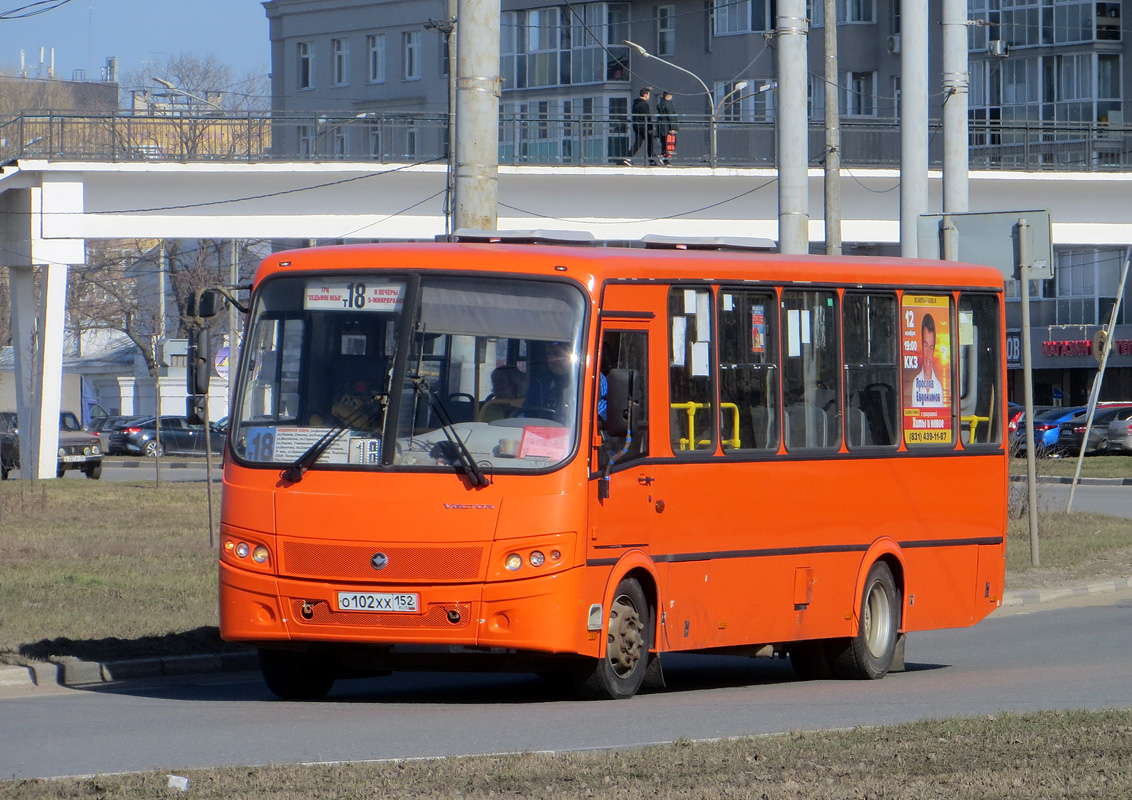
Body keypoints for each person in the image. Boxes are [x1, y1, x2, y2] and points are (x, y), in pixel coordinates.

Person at [912, 314, 945, 407]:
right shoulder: (915, 383)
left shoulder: (939, 387)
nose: (928, 354)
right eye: (926, 345)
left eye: (931, 347)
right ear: (922, 347)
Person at [624, 88, 656, 166]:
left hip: (637, 126)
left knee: (638, 143)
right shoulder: (644, 104)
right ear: (645, 95)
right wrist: (650, 128)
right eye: (648, 95)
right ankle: (651, 159)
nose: (649, 97)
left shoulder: (635, 104)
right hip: (644, 127)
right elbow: (647, 117)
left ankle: (628, 157)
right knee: (650, 142)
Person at [655, 90, 677, 166]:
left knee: (664, 143)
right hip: (667, 127)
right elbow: (671, 116)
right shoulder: (668, 104)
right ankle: (666, 159)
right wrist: (673, 127)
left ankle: (664, 157)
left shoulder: (660, 104)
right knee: (670, 144)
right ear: (668, 96)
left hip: (661, 127)